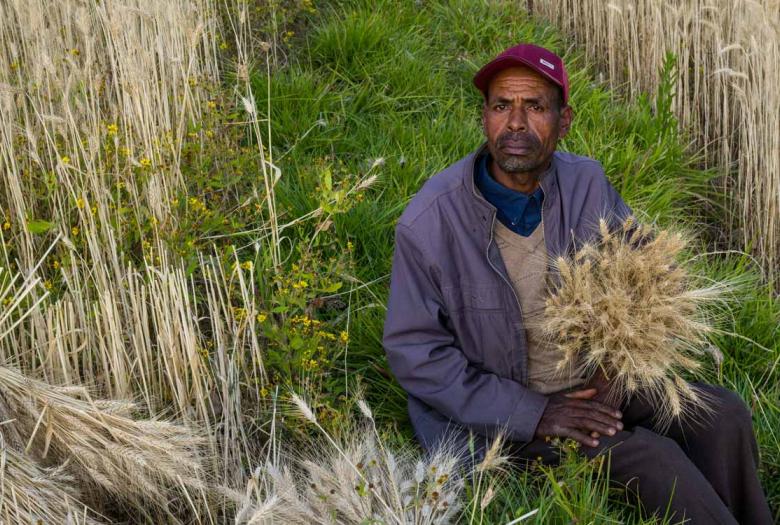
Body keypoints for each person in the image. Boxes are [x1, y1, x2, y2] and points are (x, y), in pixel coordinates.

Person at [381, 43, 773, 524]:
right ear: (485, 117)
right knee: (655, 460)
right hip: (502, 416)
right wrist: (535, 414)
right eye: (502, 106)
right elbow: (416, 353)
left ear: (563, 121)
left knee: (722, 413)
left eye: (536, 107)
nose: (517, 123)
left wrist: (612, 372)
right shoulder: (429, 222)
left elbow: (645, 279)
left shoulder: (586, 182)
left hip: (596, 383)